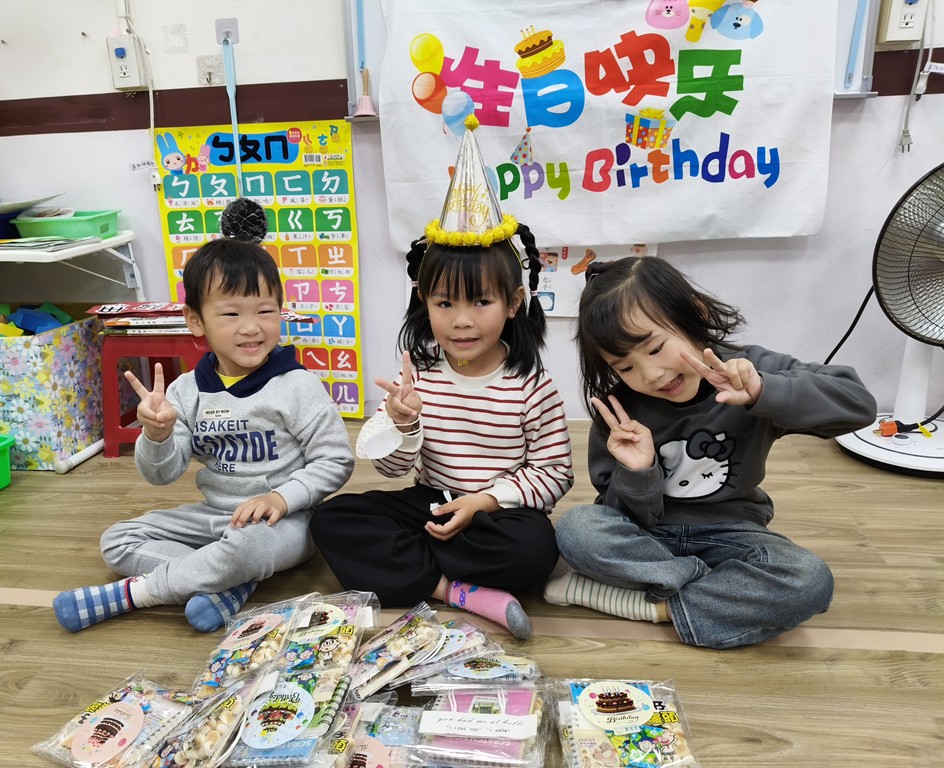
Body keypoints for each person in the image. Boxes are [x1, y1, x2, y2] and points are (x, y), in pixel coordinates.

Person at [310, 116, 573, 640]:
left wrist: (485, 501)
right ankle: (453, 590)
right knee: (331, 519)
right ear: (424, 303)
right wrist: (403, 426)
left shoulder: (531, 384)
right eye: (444, 303)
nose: (461, 321)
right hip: (430, 502)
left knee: (535, 549)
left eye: (481, 302)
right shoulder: (419, 376)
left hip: (494, 514)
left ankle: (412, 568)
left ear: (513, 303)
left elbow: (555, 472)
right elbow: (392, 471)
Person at [545, 256, 878, 648]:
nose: (651, 375)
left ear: (695, 313)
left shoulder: (749, 370)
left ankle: (651, 606)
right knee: (576, 528)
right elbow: (616, 514)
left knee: (810, 580)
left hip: (733, 535)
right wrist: (639, 472)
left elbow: (858, 405)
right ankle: (714, 592)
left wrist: (763, 392)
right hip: (649, 537)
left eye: (655, 348)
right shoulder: (619, 412)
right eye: (626, 368)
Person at [53, 199, 354, 633]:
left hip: (285, 522)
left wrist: (280, 499)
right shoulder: (185, 391)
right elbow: (162, 475)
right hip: (214, 517)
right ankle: (226, 583)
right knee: (116, 540)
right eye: (231, 314)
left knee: (249, 548)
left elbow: (335, 460)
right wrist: (157, 436)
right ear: (196, 321)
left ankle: (138, 593)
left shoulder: (296, 385)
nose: (251, 327)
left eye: (265, 311)